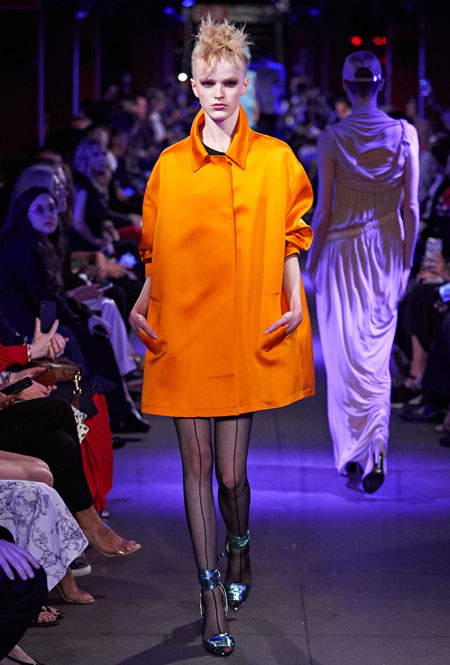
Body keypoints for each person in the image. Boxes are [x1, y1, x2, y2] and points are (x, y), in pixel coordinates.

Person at [130, 17, 314, 657]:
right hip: (183, 328)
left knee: (232, 476)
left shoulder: (275, 159)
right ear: (194, 85)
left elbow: (290, 234)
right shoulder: (169, 166)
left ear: (244, 83)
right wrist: (141, 299)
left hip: (238, 328)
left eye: (229, 82)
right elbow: (155, 250)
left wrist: (295, 299)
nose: (218, 93)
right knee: (198, 466)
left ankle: (240, 546)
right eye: (208, 82)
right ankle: (209, 597)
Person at [306, 51, 420, 493]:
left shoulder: (332, 137)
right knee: (376, 354)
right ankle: (376, 443)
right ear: (381, 84)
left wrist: (312, 260)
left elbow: (324, 210)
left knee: (344, 357)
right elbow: (411, 207)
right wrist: (406, 261)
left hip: (342, 252)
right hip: (387, 251)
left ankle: (353, 453)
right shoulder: (406, 135)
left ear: (346, 87)